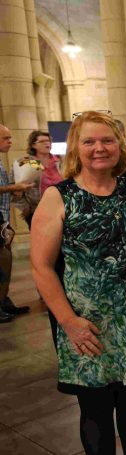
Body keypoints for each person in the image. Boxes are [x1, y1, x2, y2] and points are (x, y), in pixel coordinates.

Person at [29, 111, 126, 455]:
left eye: (107, 140)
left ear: (121, 145)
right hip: (86, 327)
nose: (99, 148)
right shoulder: (60, 197)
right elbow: (41, 267)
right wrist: (68, 322)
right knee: (96, 410)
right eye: (89, 141)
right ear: (75, 148)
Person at [0, 124, 34, 322]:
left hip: (3, 217)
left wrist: (16, 188)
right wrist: (14, 187)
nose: (10, 142)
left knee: (6, 260)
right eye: (6, 138)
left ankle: (4, 301)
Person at [17, 130, 61, 227]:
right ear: (33, 145)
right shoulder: (27, 162)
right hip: (37, 209)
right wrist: (25, 208)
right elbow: (15, 188)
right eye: (42, 141)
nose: (47, 143)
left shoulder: (59, 160)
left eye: (48, 141)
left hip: (61, 208)